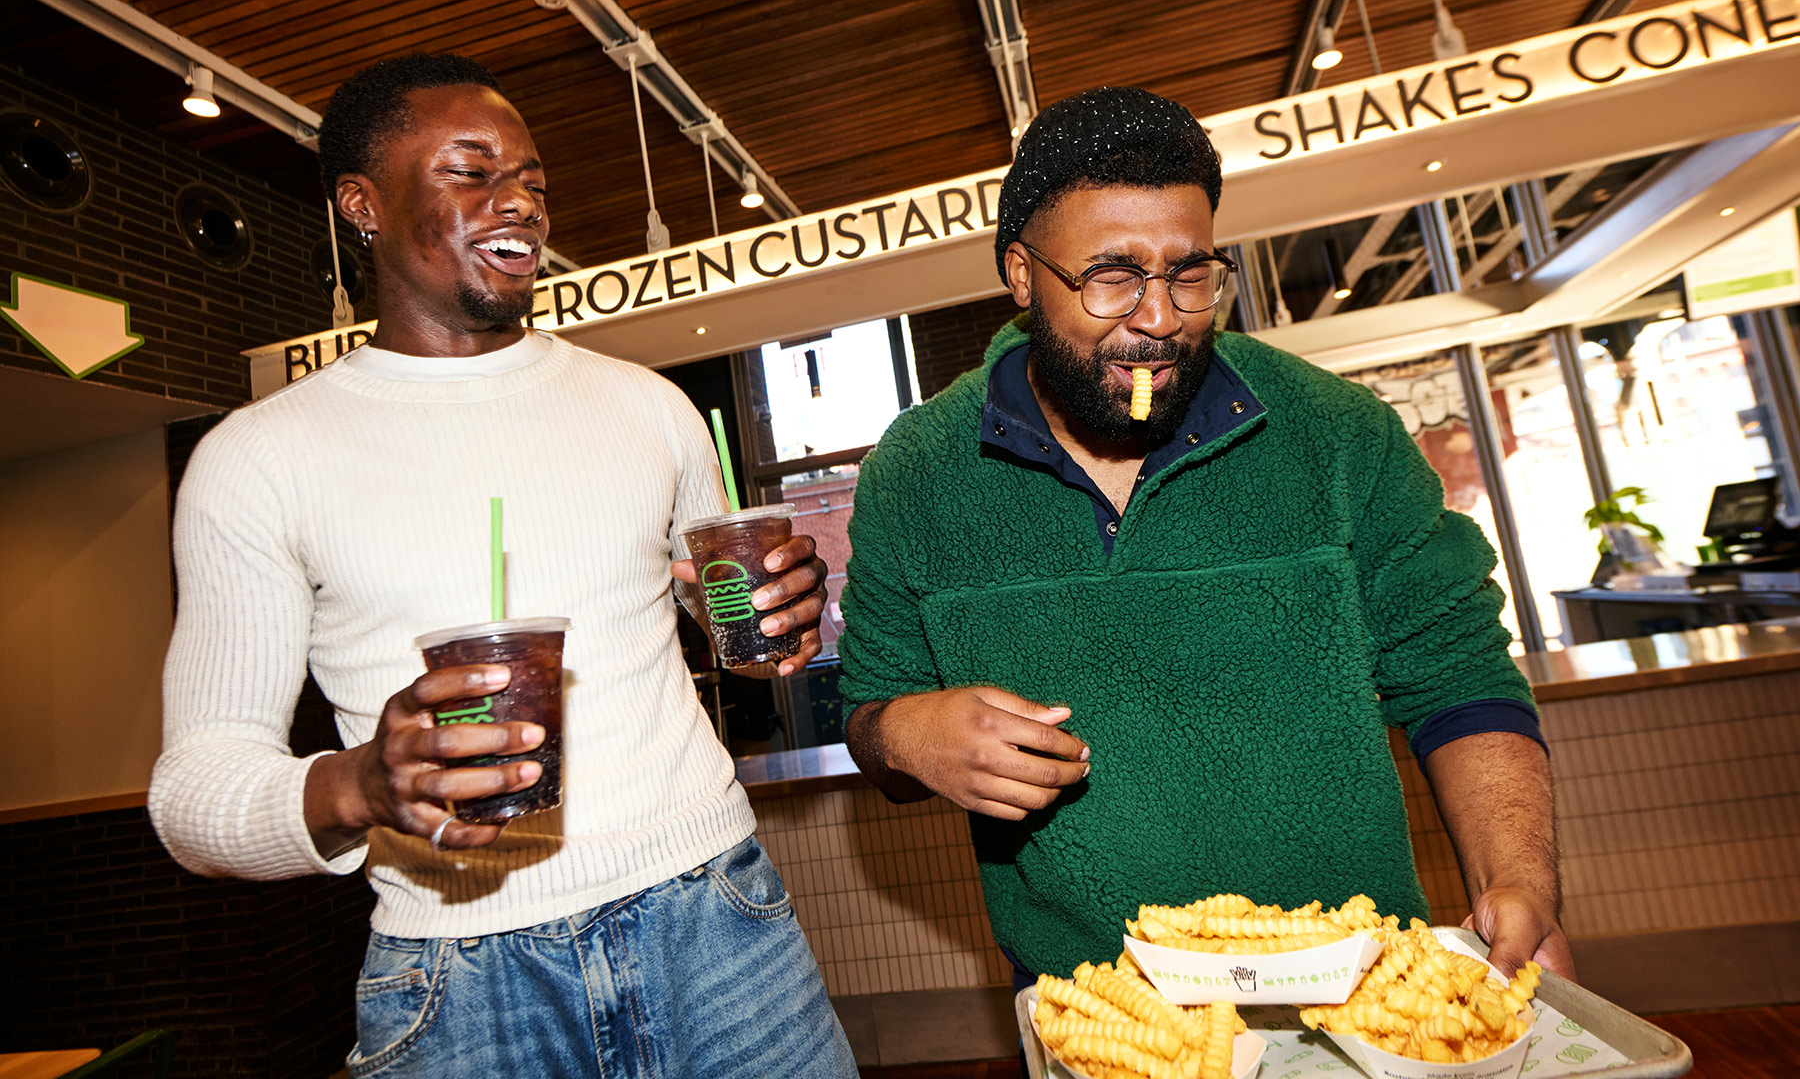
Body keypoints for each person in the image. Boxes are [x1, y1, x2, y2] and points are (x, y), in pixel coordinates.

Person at [149, 54, 857, 1078]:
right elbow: (192, 799)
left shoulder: (646, 406)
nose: (518, 199)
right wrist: (359, 784)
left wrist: (767, 623)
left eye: (531, 179)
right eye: (470, 172)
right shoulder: (258, 458)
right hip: (461, 978)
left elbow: (738, 640)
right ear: (362, 202)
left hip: (719, 920)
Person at [837, 86, 1573, 989]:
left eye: (1191, 274)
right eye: (1111, 276)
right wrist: (907, 734)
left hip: (1361, 981)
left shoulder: (1337, 434)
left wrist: (1517, 879)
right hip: (1094, 999)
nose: (1158, 318)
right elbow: (873, 715)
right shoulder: (917, 471)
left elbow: (1458, 676)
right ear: (1023, 276)